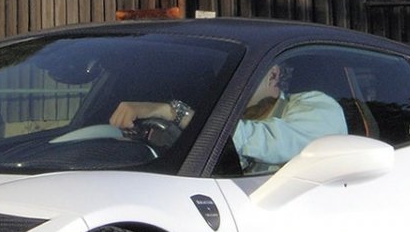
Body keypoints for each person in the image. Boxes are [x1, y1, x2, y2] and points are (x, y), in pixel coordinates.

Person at [110, 60, 347, 171]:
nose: (222, 83)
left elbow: (275, 142)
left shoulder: (316, 107)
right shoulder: (223, 115)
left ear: (272, 76)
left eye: (236, 72)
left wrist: (173, 112)